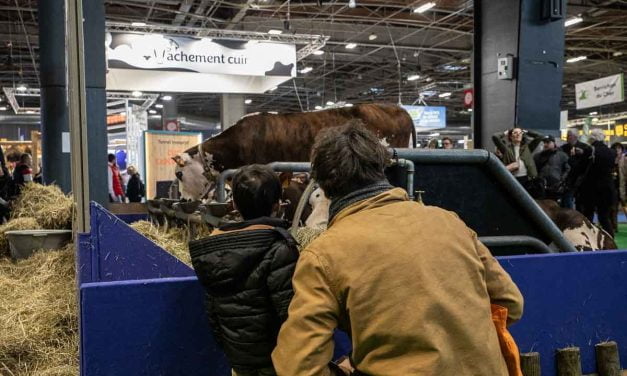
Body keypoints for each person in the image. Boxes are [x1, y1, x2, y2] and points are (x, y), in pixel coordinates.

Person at [273, 120, 524, 376]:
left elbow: (298, 366)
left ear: (323, 186)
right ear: (382, 167)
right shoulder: (448, 221)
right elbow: (511, 303)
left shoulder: (323, 254)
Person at [188, 165, 299, 376]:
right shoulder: (280, 249)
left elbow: (213, 315)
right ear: (277, 205)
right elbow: (291, 315)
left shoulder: (214, 250)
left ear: (234, 204)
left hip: (238, 363)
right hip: (278, 364)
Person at [578, 129, 616, 237]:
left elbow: (580, 168)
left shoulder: (590, 150)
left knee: (588, 216)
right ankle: (610, 240)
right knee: (604, 217)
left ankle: (588, 239)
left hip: (591, 188)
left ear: (592, 138)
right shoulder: (611, 152)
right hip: (607, 189)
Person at [560, 130, 592, 210]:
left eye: (569, 135)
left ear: (575, 136)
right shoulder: (563, 148)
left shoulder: (585, 148)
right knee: (566, 200)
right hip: (567, 179)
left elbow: (587, 163)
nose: (568, 137)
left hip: (580, 179)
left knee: (579, 202)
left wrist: (583, 154)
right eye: (567, 135)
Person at [534, 135, 570, 201]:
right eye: (544, 142)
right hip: (541, 186)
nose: (545, 144)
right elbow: (534, 169)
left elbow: (567, 169)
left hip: (555, 186)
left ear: (553, 143)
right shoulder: (538, 156)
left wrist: (561, 180)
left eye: (548, 142)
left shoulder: (562, 155)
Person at [609, 143, 626, 233]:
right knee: (613, 208)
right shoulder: (610, 160)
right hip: (614, 188)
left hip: (623, 188)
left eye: (619, 148)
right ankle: (614, 227)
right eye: (615, 148)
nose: (617, 150)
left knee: (625, 207)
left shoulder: (625, 160)